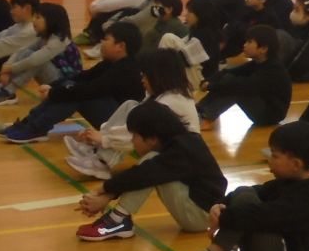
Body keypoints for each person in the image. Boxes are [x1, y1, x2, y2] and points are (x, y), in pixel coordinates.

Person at [161, 121, 309, 251]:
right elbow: (251, 193)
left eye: (274, 155)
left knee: (246, 206)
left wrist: (224, 218)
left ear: (296, 164)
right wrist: (219, 205)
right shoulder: (289, 182)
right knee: (244, 193)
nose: (269, 159)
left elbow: (263, 216)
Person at [74, 101, 227, 241]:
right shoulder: (182, 141)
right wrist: (108, 194)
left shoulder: (181, 150)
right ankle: (118, 219)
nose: (132, 141)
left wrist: (103, 190)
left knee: (150, 164)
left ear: (152, 138)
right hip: (200, 210)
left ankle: (118, 220)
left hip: (200, 217)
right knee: (149, 169)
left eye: (134, 135)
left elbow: (143, 175)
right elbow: (141, 175)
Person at [64, 45, 199, 181]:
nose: (142, 79)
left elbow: (137, 133)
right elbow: (137, 118)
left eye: (145, 75)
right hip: (165, 145)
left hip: (179, 156)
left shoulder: (170, 102)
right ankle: (95, 149)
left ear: (158, 76)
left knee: (133, 128)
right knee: (131, 106)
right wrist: (101, 136)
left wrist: (104, 139)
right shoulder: (164, 93)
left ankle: (101, 162)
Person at [0, 21, 146, 144]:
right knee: (70, 88)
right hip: (112, 115)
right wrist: (53, 87)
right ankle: (29, 123)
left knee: (78, 96)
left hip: (122, 125)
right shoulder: (111, 63)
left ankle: (36, 128)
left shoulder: (126, 69)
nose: (101, 43)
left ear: (120, 46)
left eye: (106, 39)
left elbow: (90, 90)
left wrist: (54, 93)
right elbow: (82, 76)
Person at [0, 2, 80, 107]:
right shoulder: (44, 37)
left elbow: (35, 60)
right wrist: (6, 67)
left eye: (38, 17)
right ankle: (0, 89)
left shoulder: (60, 40)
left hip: (67, 85)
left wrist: (10, 69)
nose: (34, 20)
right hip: (53, 80)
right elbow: (22, 50)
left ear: (52, 20)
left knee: (38, 61)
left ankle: (7, 91)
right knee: (27, 53)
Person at [195, 25, 292, 127]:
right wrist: (208, 81)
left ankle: (206, 117)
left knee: (235, 87)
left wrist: (210, 86)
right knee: (229, 79)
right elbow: (229, 72)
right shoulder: (257, 63)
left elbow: (243, 85)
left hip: (270, 115)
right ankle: (199, 111)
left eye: (249, 42)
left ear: (263, 48)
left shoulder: (273, 69)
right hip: (261, 105)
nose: (244, 45)